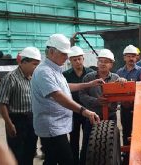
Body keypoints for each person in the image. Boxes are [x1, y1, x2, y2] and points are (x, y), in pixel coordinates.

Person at [31, 34, 102, 165]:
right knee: (67, 160)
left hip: (57, 126)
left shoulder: (55, 70)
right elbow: (58, 95)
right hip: (52, 127)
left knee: (52, 160)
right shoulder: (44, 72)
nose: (67, 58)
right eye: (64, 54)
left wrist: (89, 84)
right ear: (52, 52)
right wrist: (83, 110)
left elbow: (65, 87)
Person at [79, 48, 127, 165]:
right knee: (88, 145)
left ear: (111, 64)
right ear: (97, 63)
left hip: (111, 117)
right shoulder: (89, 78)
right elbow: (82, 95)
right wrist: (96, 101)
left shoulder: (116, 79)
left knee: (111, 146)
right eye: (100, 61)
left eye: (106, 61)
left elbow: (123, 96)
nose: (103, 63)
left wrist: (123, 83)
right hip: (92, 118)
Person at [0, 47, 41, 165]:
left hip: (31, 120)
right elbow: (2, 103)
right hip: (16, 121)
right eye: (34, 64)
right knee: (17, 154)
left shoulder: (32, 79)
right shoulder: (10, 78)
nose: (36, 67)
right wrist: (9, 123)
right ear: (23, 62)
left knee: (30, 151)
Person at [62, 46, 94, 165]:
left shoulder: (91, 73)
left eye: (79, 59)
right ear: (70, 61)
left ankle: (85, 161)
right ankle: (74, 161)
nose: (77, 62)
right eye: (74, 59)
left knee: (88, 139)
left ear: (83, 59)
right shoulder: (65, 75)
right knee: (73, 139)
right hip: (73, 111)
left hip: (88, 111)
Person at [116, 45, 141, 164]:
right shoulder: (119, 72)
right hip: (124, 107)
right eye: (129, 56)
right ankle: (127, 157)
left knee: (138, 131)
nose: (131, 59)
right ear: (124, 58)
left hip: (137, 107)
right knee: (126, 131)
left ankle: (139, 156)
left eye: (133, 56)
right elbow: (116, 90)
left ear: (136, 58)